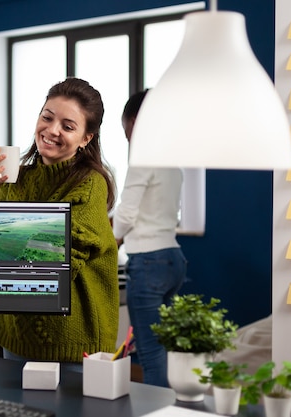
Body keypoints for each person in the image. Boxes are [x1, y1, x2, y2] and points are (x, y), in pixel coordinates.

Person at [0, 77, 119, 365]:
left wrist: (4, 246)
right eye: (47, 117)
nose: (52, 130)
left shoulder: (90, 185)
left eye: (68, 127)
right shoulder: (17, 178)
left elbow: (51, 264)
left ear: (86, 138)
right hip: (15, 332)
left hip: (70, 339)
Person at [112, 90, 187, 387]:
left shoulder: (143, 159)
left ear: (136, 121)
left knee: (150, 354)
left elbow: (127, 214)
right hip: (173, 259)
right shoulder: (173, 163)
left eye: (126, 130)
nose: (128, 138)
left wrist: (110, 240)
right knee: (164, 349)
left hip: (148, 261)